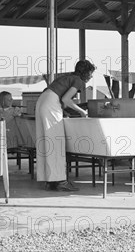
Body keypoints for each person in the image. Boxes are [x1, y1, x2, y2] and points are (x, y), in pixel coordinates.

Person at [36, 59, 94, 191]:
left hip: (42, 101)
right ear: (85, 72)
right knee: (56, 142)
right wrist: (82, 112)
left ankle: (50, 179)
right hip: (51, 104)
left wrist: (64, 111)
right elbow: (66, 99)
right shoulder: (78, 80)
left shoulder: (67, 77)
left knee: (46, 142)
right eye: (90, 73)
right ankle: (60, 181)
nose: (91, 77)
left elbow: (60, 98)